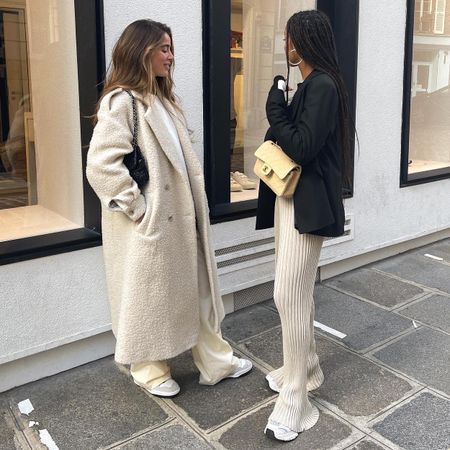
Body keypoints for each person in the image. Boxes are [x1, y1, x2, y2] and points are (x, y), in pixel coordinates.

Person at [86, 19, 252, 398]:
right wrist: (138, 208)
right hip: (153, 223)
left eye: (171, 48)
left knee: (202, 292)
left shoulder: (164, 100)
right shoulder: (122, 101)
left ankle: (216, 362)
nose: (171, 56)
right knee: (149, 300)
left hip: (182, 219)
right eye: (163, 48)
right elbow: (101, 165)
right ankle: (149, 371)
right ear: (140, 51)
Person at [256, 10, 353, 441]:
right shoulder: (313, 85)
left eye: (289, 38)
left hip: (307, 204)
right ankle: (307, 369)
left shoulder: (323, 86)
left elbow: (303, 146)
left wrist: (275, 104)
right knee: (297, 293)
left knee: (287, 294)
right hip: (290, 198)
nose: (285, 45)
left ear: (302, 42)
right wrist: (284, 105)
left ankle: (297, 397)